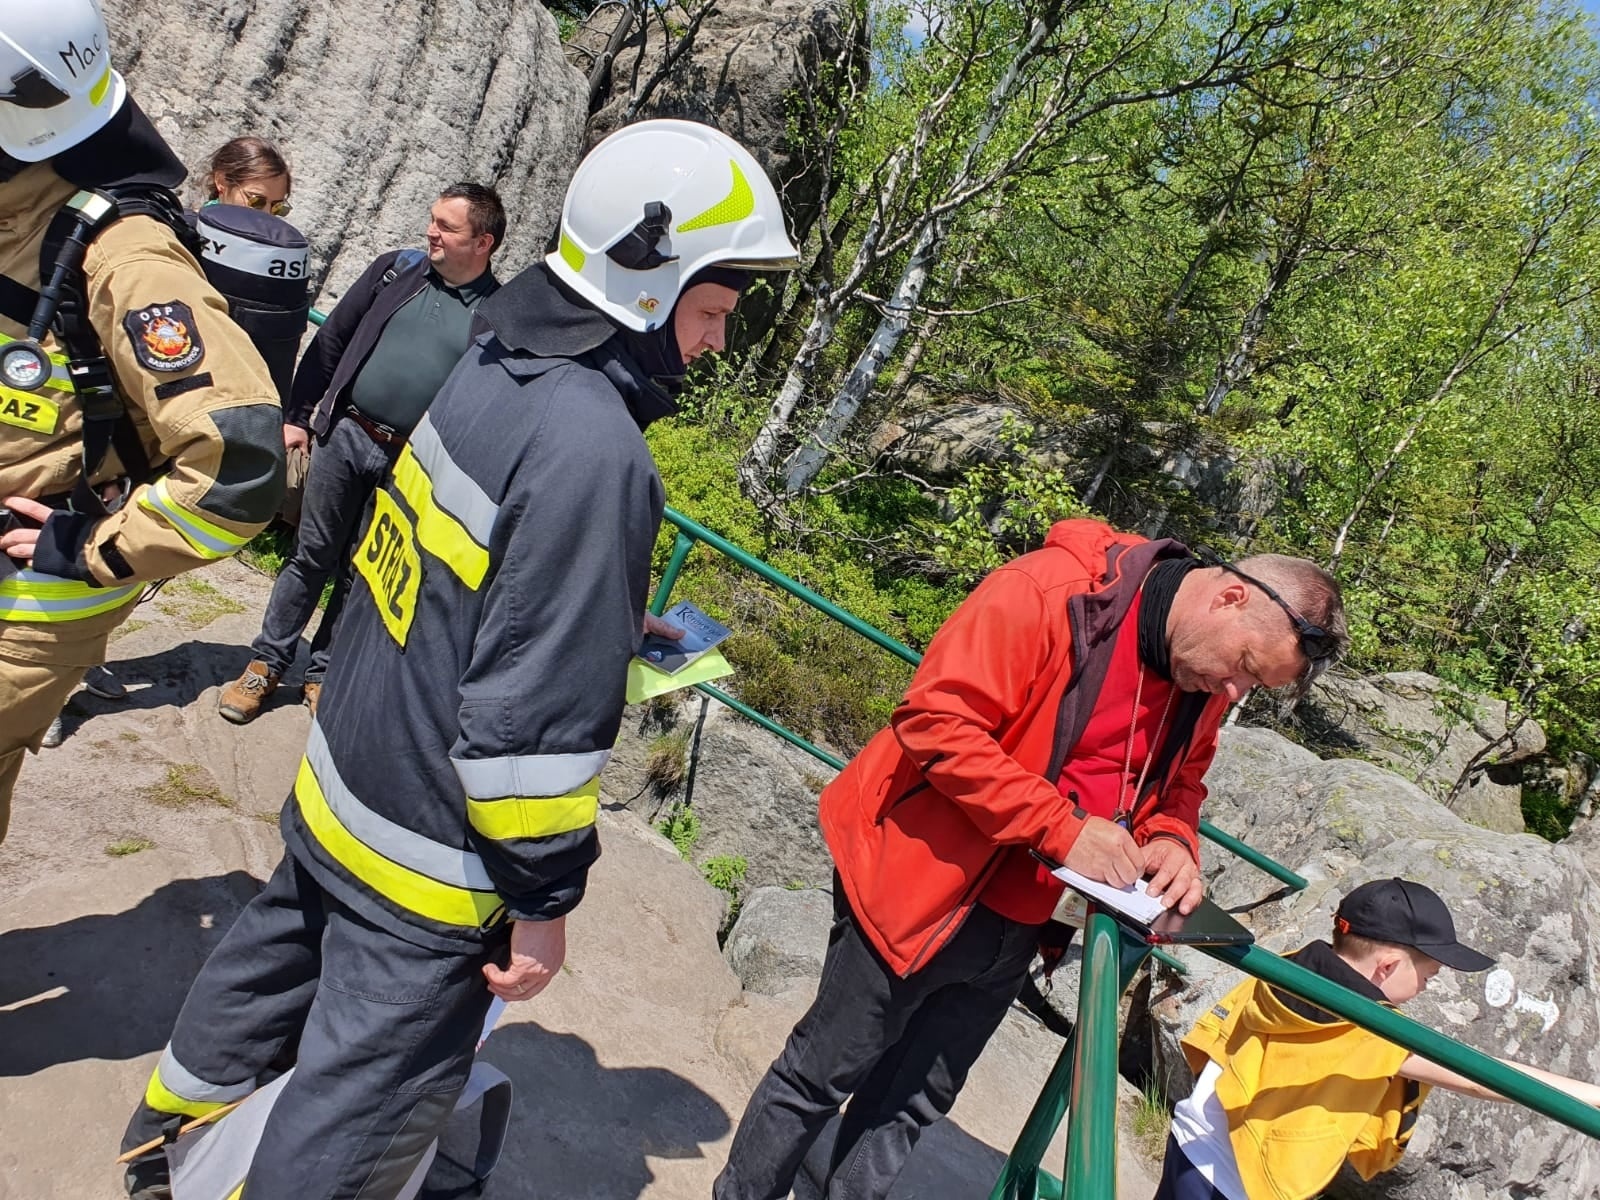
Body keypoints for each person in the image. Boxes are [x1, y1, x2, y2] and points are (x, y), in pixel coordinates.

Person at [121, 118, 799, 1200]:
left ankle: (160, 1152)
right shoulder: (598, 452)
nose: (714, 342)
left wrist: (601, 621)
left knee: (259, 980)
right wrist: (544, 904)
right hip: (427, 861)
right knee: (360, 1104)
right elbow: (523, 732)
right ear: (650, 282)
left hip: (345, 775)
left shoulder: (495, 358)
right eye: (713, 310)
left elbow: (448, 572)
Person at [714, 530, 1350, 1200]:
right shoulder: (1052, 593)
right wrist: (1062, 829)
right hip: (920, 880)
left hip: (1021, 920)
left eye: (1252, 684)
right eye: (1245, 666)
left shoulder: (1203, 679)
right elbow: (935, 722)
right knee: (820, 1076)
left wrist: (1173, 839)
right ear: (1228, 596)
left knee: (912, 1104)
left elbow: (1180, 786)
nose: (1232, 688)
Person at [0, 0, 284, 833]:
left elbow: (240, 464)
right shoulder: (18, 211)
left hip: (31, 599)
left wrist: (93, 548)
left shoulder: (121, 251)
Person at [216, 183, 505, 722]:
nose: (431, 232)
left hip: (411, 467)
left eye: (446, 226)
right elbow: (332, 342)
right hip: (346, 435)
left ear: (483, 242)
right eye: (432, 220)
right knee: (311, 556)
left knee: (360, 571)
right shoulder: (396, 271)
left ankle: (322, 672)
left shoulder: (495, 315)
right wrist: (298, 418)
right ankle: (265, 663)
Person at [1158, 877, 1600, 1200]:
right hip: (1237, 1182)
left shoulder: (1290, 967)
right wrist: (1591, 1095)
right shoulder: (1369, 1028)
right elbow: (1480, 1076)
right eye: (1429, 974)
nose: (1428, 985)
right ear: (1387, 966)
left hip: (1193, 1139)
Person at [202, 136, 292, 218]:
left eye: (277, 207)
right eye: (257, 201)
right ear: (222, 182)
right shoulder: (193, 229)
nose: (267, 214)